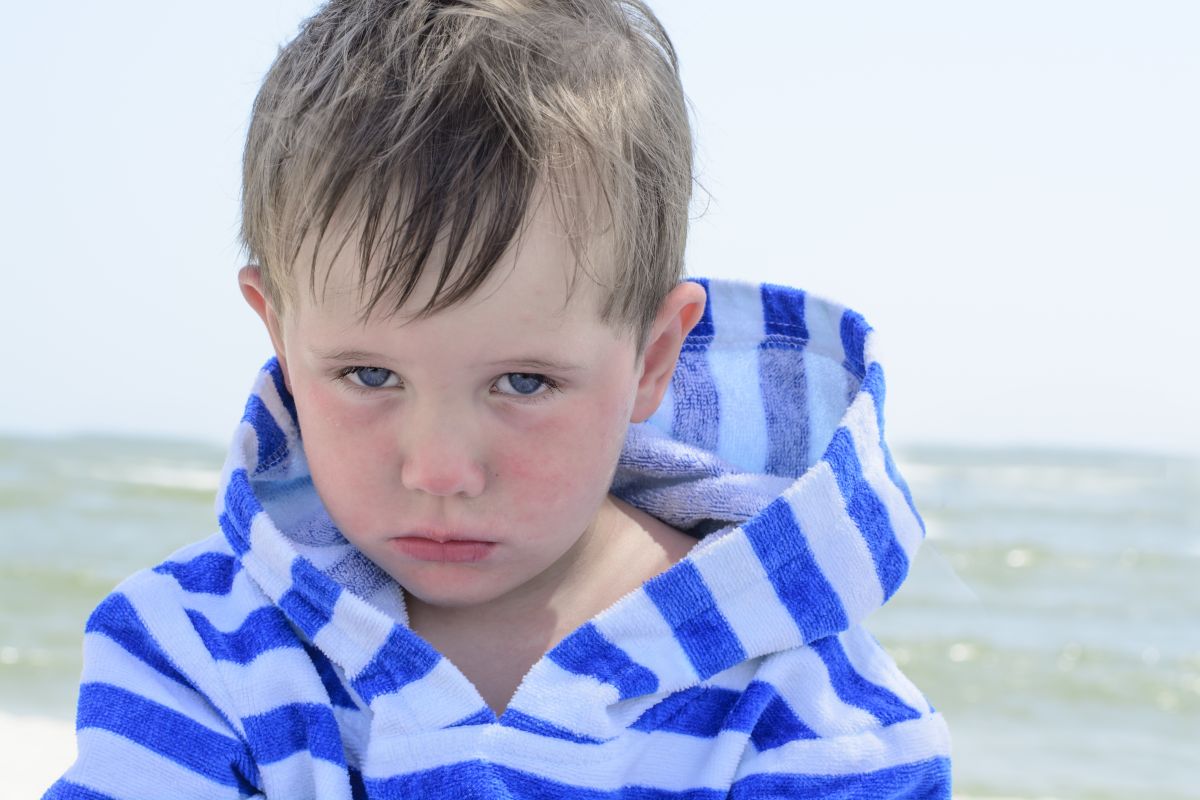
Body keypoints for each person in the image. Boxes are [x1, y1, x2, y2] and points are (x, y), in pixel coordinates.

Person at [46, 0, 951, 797]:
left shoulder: (807, 710)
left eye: (524, 382)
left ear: (651, 356)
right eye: (370, 375)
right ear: (279, 332)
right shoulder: (193, 653)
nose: (441, 469)